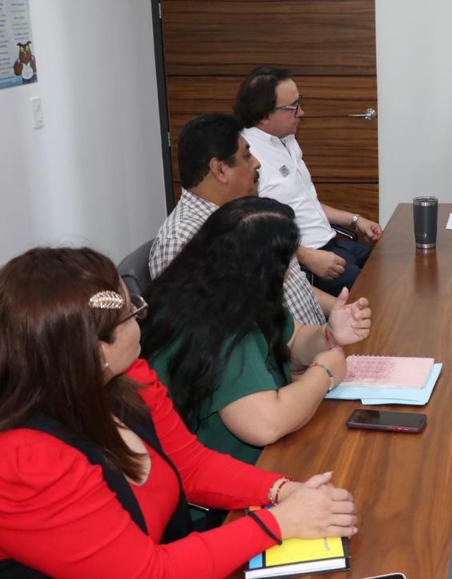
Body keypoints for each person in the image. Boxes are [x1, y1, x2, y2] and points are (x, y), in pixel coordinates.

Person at [0, 247, 358, 578]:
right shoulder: (26, 464)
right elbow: (148, 573)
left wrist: (282, 490)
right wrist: (280, 523)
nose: (142, 315)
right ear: (94, 353)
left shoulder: (128, 379)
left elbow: (192, 466)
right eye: (132, 313)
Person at [143, 197, 371, 470]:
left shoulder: (232, 293)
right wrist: (325, 372)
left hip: (266, 459)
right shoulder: (216, 327)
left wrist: (327, 334)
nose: (289, 274)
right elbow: (266, 424)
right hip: (231, 481)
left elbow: (294, 340)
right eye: (286, 264)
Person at [149, 113, 330, 324]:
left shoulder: (248, 214)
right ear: (220, 169)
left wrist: (339, 309)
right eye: (247, 156)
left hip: (318, 336)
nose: (257, 163)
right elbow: (204, 330)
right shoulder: (181, 241)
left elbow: (293, 287)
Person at [234, 66, 383, 296]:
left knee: (390, 264)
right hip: (307, 261)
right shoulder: (246, 155)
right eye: (293, 107)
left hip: (332, 242)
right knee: (379, 294)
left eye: (299, 102)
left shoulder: (287, 140)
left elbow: (305, 201)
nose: (301, 112)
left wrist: (355, 220)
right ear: (264, 115)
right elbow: (249, 228)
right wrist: (306, 256)